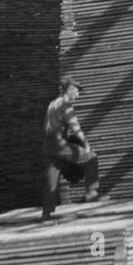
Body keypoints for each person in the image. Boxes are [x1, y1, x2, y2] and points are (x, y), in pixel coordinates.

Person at [41, 76, 100, 220]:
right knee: (91, 156)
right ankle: (92, 191)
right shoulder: (66, 105)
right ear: (70, 90)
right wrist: (85, 143)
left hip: (48, 146)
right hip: (60, 144)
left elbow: (46, 125)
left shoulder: (52, 104)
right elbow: (75, 125)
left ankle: (46, 213)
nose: (78, 95)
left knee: (52, 180)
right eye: (77, 92)